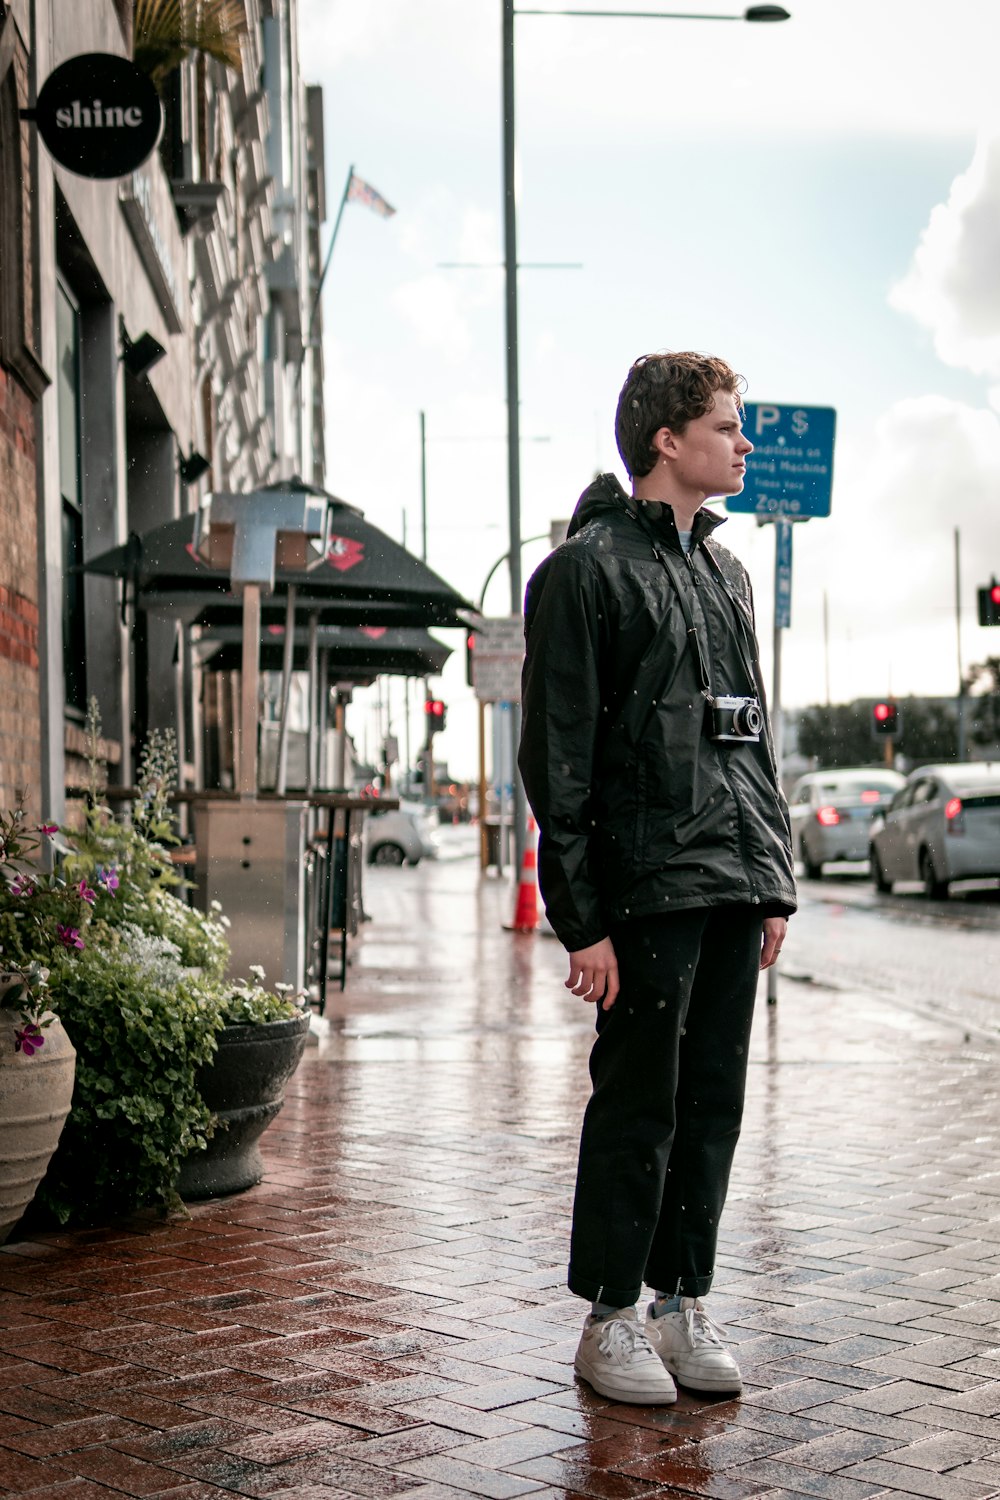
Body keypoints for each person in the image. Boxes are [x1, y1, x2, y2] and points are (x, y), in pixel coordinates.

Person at [518, 351, 796, 1406]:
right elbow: (558, 753)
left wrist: (768, 882)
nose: (743, 443)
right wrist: (578, 916)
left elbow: (749, 737)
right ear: (667, 439)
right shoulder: (585, 570)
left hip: (728, 881)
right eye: (728, 425)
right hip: (642, 888)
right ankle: (610, 1316)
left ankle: (682, 1301)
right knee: (640, 1099)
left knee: (713, 1099)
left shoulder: (726, 575)